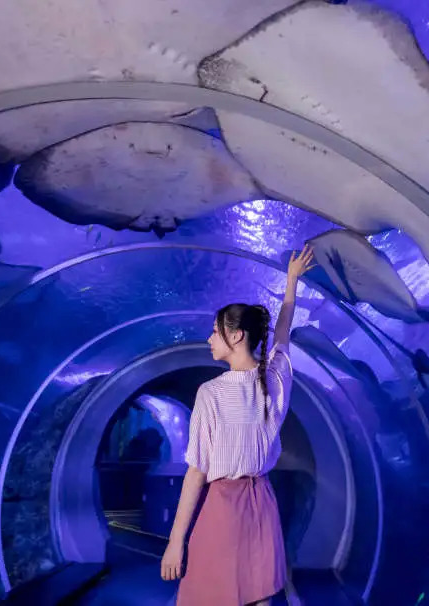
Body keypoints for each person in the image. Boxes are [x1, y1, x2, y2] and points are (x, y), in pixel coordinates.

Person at [161, 244, 316, 605]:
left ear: (236, 336)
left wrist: (175, 542)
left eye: (215, 331)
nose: (209, 338)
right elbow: (282, 334)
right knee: (260, 595)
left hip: (224, 508)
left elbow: (196, 473)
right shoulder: (275, 380)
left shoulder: (211, 393)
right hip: (262, 503)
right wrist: (291, 282)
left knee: (208, 596)